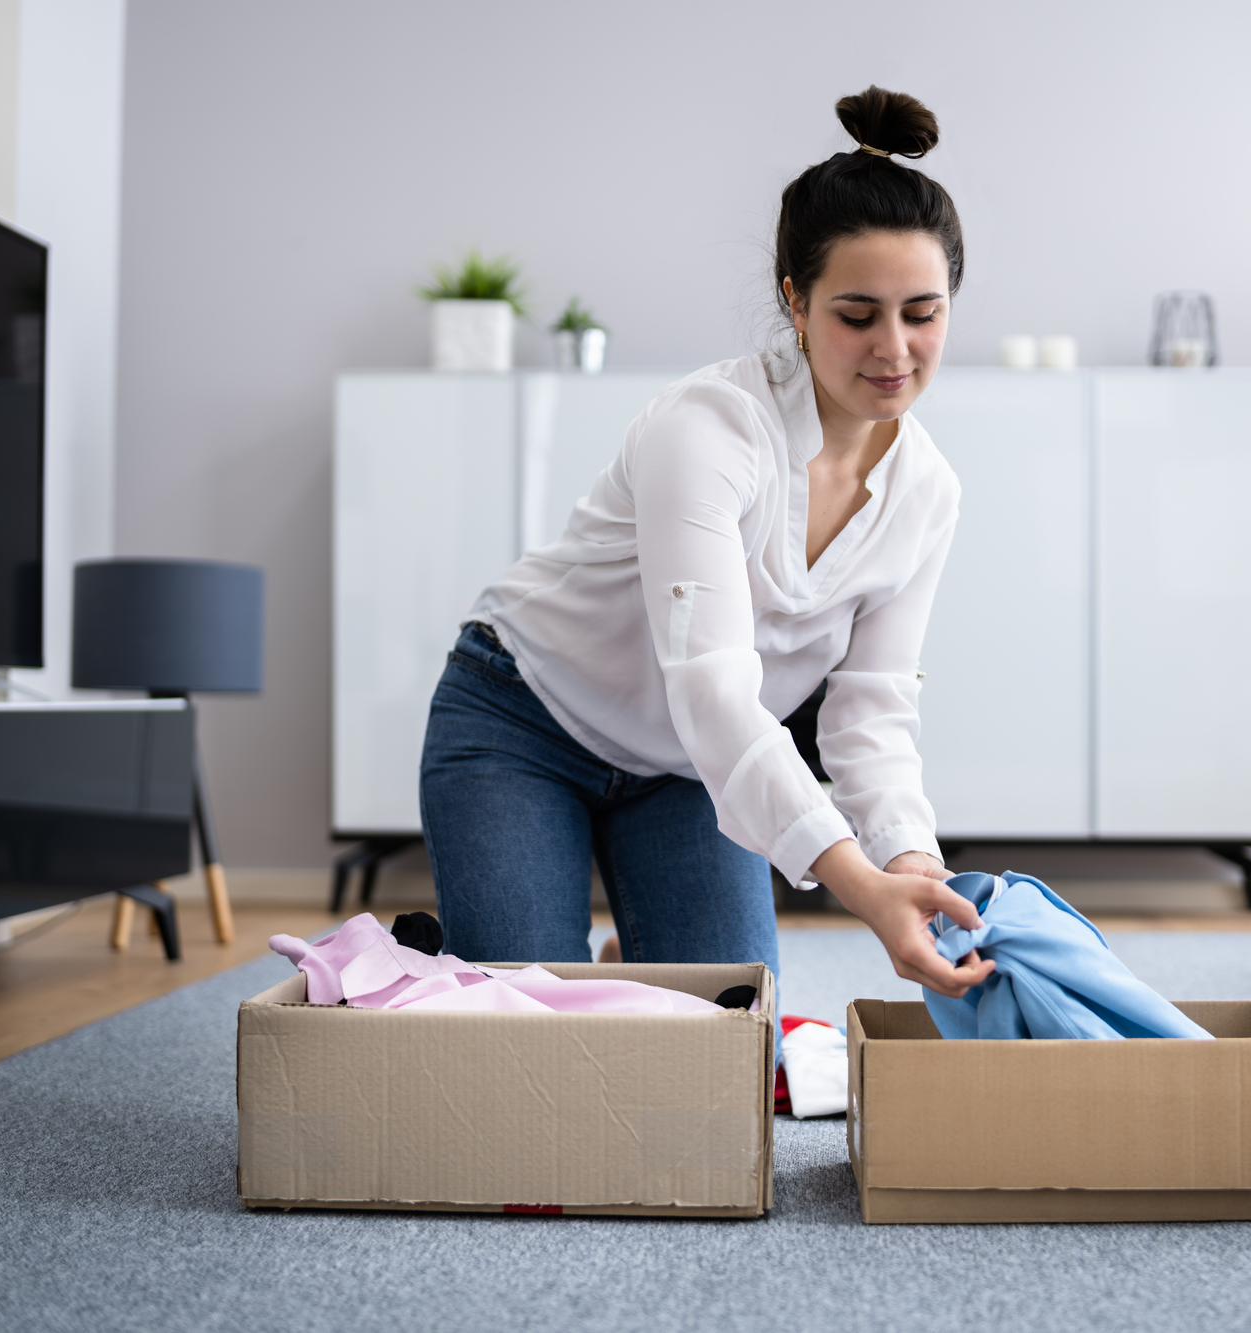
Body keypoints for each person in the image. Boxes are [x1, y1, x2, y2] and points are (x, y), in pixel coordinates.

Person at [419, 86, 994, 1000]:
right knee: (523, 1028)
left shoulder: (927, 493)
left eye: (921, 312)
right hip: (522, 722)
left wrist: (913, 868)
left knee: (730, 1040)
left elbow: (869, 713)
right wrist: (857, 886)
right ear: (794, 303)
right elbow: (717, 694)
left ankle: (629, 959)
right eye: (856, 314)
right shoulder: (709, 429)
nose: (893, 348)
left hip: (688, 771)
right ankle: (506, 953)